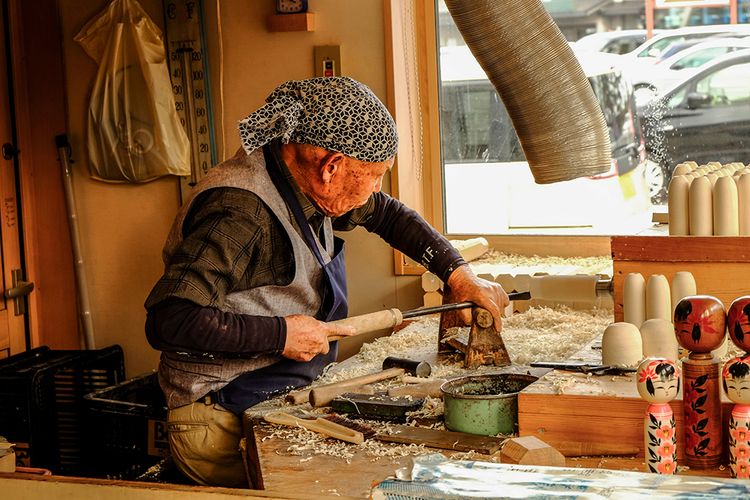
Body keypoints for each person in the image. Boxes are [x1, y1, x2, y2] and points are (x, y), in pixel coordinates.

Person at [144, 76, 509, 487]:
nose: (375, 189)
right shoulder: (240, 212)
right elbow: (168, 319)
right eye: (373, 175)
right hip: (219, 414)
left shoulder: (299, 180)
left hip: (272, 395)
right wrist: (281, 334)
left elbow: (387, 215)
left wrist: (458, 273)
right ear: (331, 165)